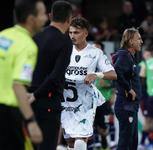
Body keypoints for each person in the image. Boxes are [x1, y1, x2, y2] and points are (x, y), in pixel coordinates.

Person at [0, 0, 47, 149]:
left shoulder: (0, 37)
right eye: (43, 14)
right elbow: (18, 85)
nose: (46, 18)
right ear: (32, 19)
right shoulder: (27, 46)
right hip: (8, 116)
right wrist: (31, 121)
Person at [61, 17, 117, 150]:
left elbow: (113, 74)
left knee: (80, 140)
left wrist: (96, 74)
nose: (72, 36)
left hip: (86, 101)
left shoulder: (95, 53)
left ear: (86, 33)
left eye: (76, 33)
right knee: (71, 142)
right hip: (66, 101)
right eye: (71, 32)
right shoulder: (64, 50)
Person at [27, 1, 73, 150]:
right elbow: (55, 76)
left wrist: (29, 94)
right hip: (47, 101)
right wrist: (36, 94)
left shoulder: (35, 36)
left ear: (50, 16)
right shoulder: (65, 42)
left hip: (27, 100)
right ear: (69, 19)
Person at [112, 27, 143, 150]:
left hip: (130, 105)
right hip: (126, 105)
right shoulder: (125, 56)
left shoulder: (129, 56)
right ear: (130, 41)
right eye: (139, 39)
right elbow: (116, 71)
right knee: (125, 143)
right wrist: (128, 88)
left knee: (132, 143)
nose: (141, 42)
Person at [138, 49, 152, 149]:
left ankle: (149, 142)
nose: (149, 56)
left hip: (152, 96)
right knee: (148, 119)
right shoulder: (141, 65)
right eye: (147, 54)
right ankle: (143, 142)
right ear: (143, 55)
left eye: (150, 55)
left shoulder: (152, 65)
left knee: (151, 120)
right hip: (144, 97)